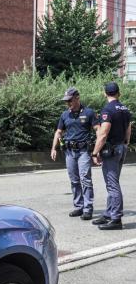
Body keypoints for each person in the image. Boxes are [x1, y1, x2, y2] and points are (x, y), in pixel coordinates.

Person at [51, 87, 99, 221]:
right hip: (69, 152)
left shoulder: (89, 113)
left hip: (84, 151)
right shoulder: (64, 115)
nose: (68, 103)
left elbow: (98, 130)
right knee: (74, 180)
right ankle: (79, 206)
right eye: (66, 101)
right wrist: (53, 148)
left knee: (85, 179)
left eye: (70, 100)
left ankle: (88, 208)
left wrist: (97, 150)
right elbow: (59, 132)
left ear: (77, 98)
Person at [91, 82, 133, 230]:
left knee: (112, 184)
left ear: (105, 93)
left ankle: (116, 218)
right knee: (112, 182)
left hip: (112, 150)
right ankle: (109, 213)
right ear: (118, 93)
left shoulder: (107, 110)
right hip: (121, 147)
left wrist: (95, 152)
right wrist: (125, 144)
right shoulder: (125, 109)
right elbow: (129, 129)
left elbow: (103, 134)